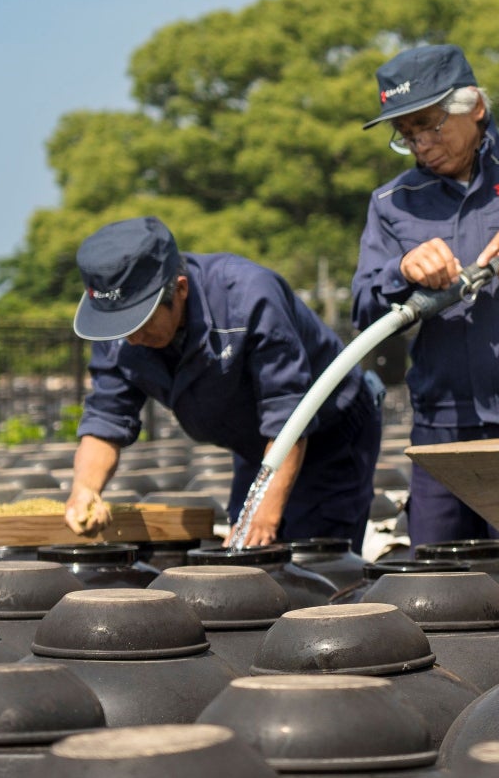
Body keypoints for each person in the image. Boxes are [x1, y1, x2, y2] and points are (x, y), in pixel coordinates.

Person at [352, 43, 499, 544]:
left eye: (431, 125)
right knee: (439, 581)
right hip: (442, 429)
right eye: (406, 135)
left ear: (474, 106)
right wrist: (401, 269)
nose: (422, 145)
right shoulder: (392, 203)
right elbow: (362, 310)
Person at [66, 215, 381, 549]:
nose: (131, 338)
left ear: (181, 290)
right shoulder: (117, 330)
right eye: (121, 326)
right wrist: (86, 488)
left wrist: (263, 518)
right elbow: (106, 419)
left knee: (311, 557)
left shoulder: (249, 298)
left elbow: (288, 417)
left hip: (328, 433)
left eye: (140, 323)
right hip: (256, 443)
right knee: (245, 551)